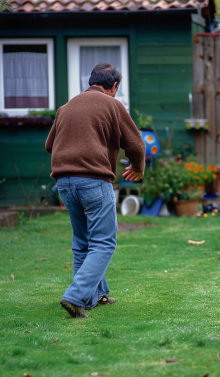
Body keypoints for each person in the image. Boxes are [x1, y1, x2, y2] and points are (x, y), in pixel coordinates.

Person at [45, 62, 146, 318]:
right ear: (113, 87)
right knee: (103, 242)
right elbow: (136, 145)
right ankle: (75, 296)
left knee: (83, 242)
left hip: (64, 182)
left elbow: (49, 144)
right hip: (93, 181)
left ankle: (92, 297)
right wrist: (138, 168)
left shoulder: (66, 107)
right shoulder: (113, 105)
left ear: (90, 83)